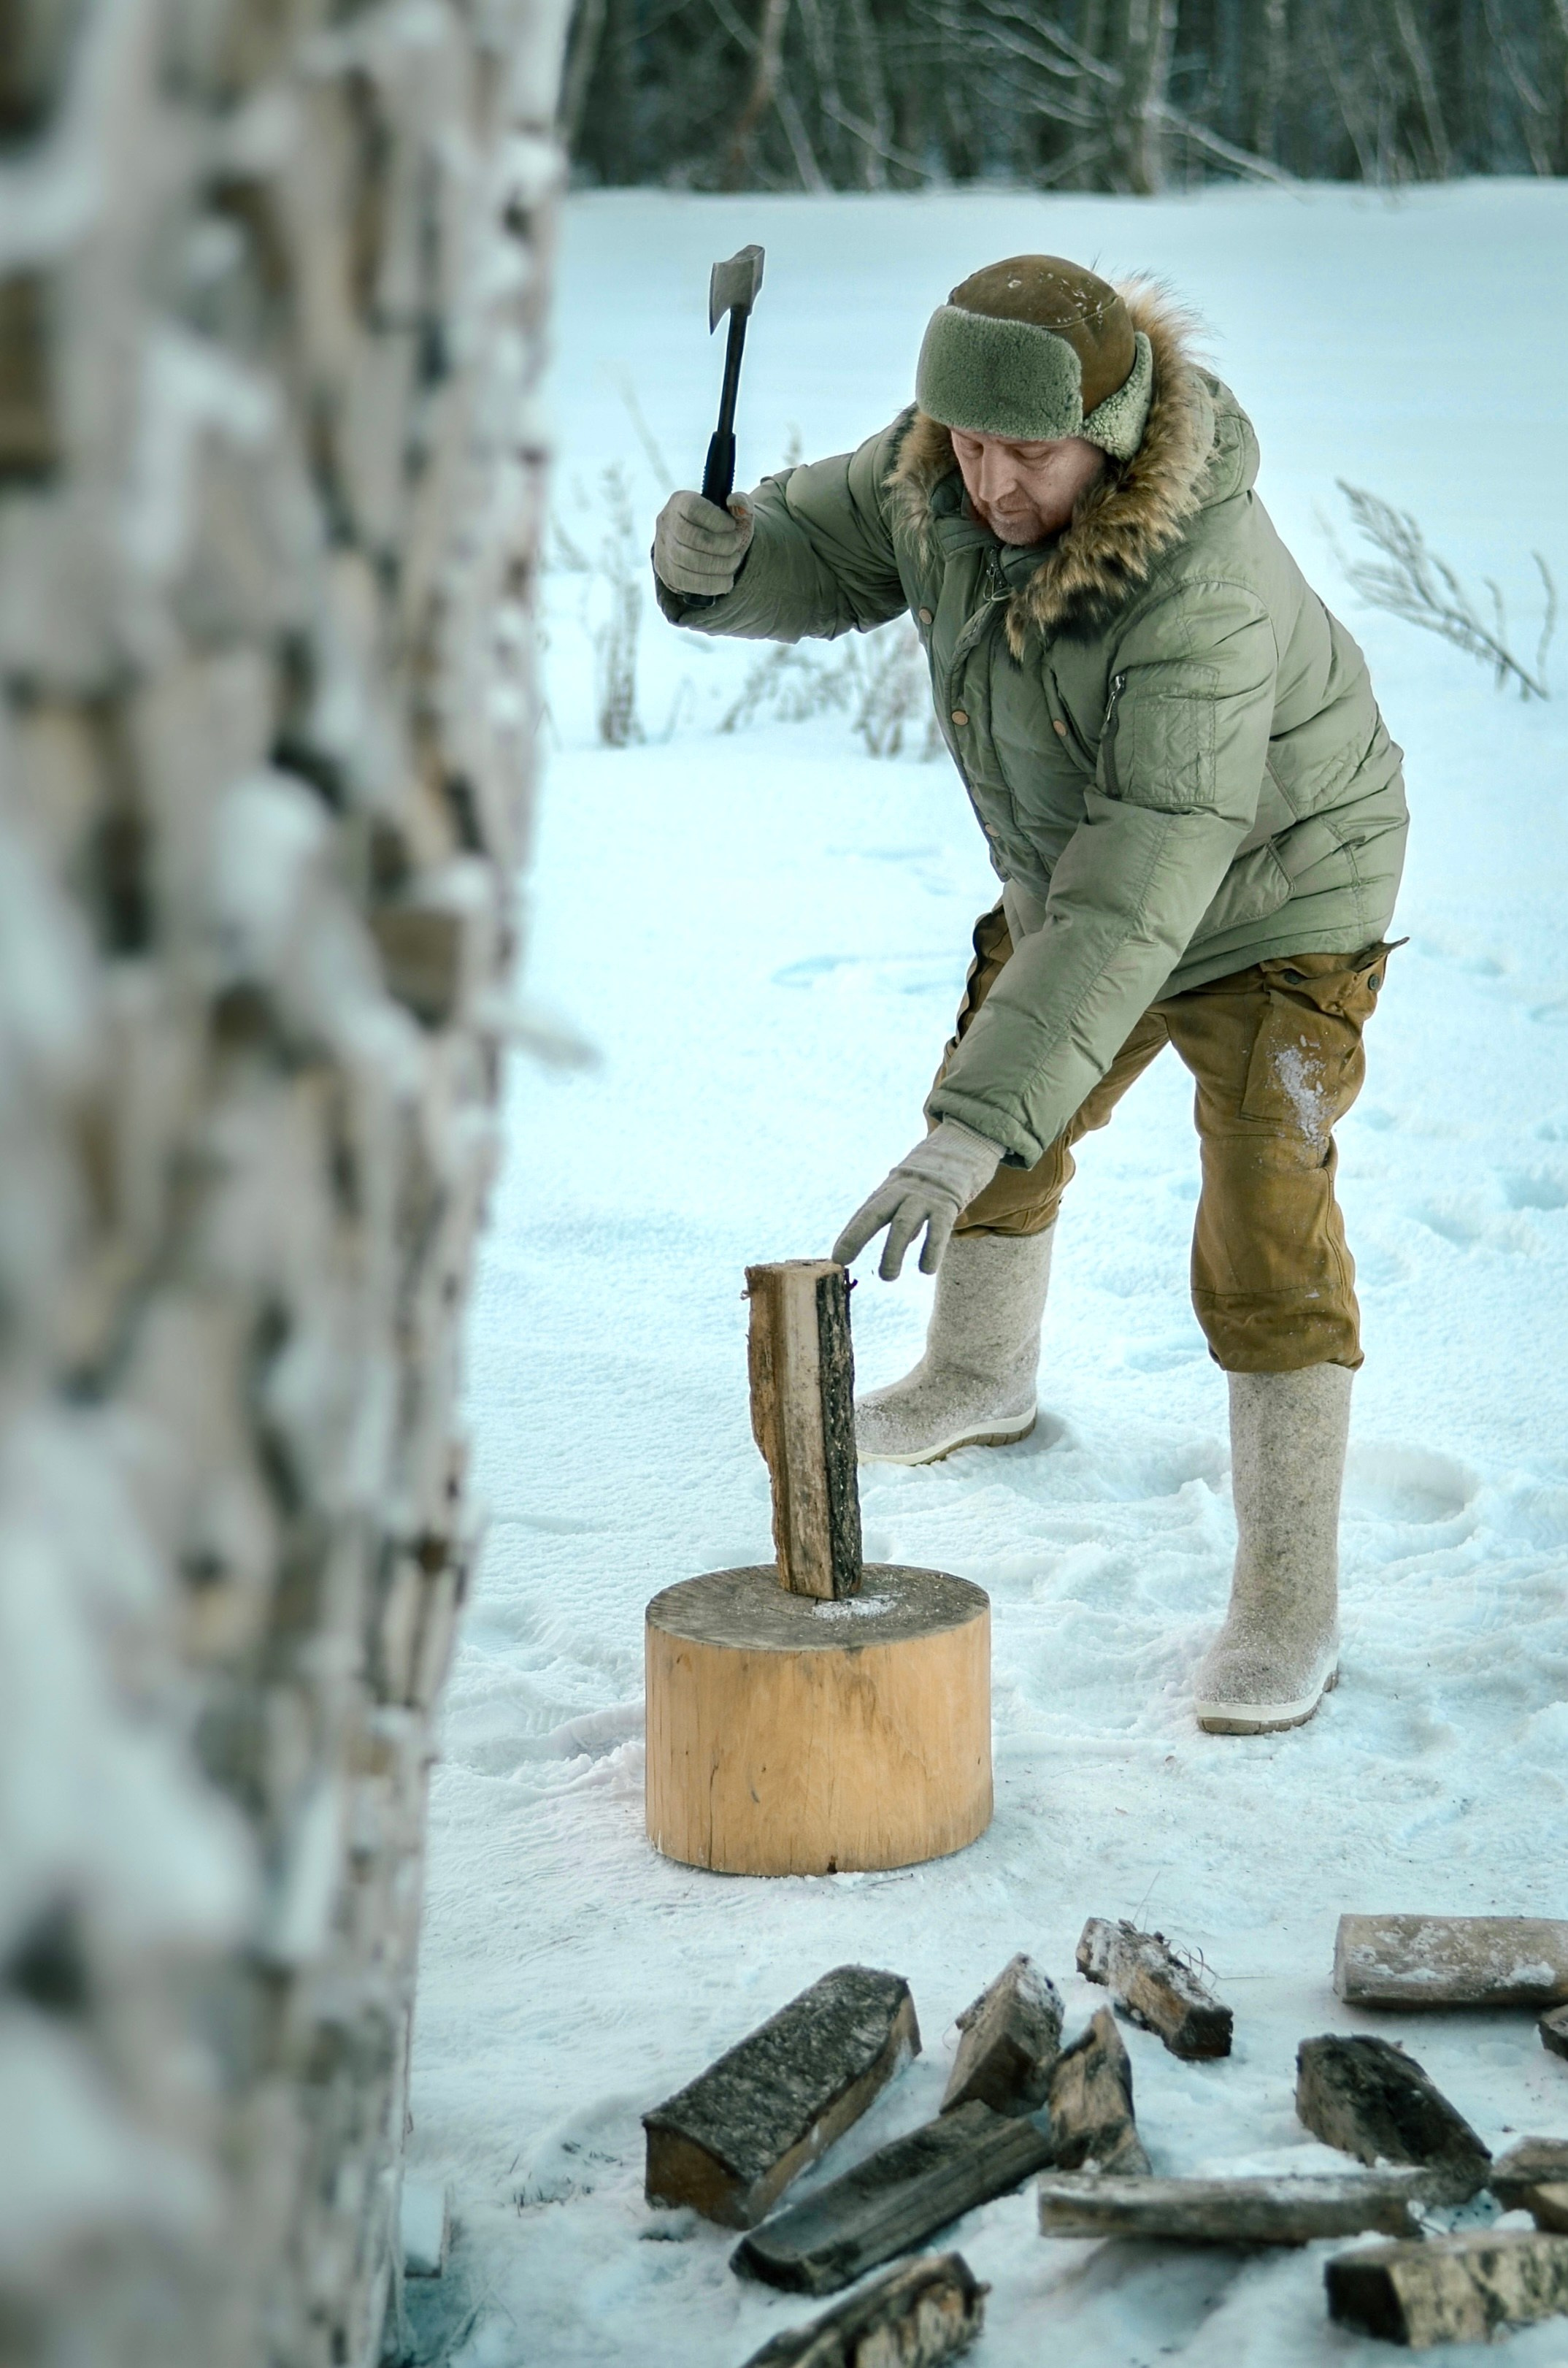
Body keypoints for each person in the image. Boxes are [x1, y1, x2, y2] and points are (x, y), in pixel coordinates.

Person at [650, 256, 1407, 1736]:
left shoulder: (1198, 591)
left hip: (1282, 886)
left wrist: (971, 1120)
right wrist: (723, 565)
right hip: (1089, 871)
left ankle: (1286, 1596)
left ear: (1112, 432)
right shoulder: (941, 462)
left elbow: (1145, 880)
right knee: (1002, 1091)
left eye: (1028, 455)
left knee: (1257, 1196)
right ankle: (983, 1372)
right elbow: (826, 534)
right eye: (969, 443)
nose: (991, 483)